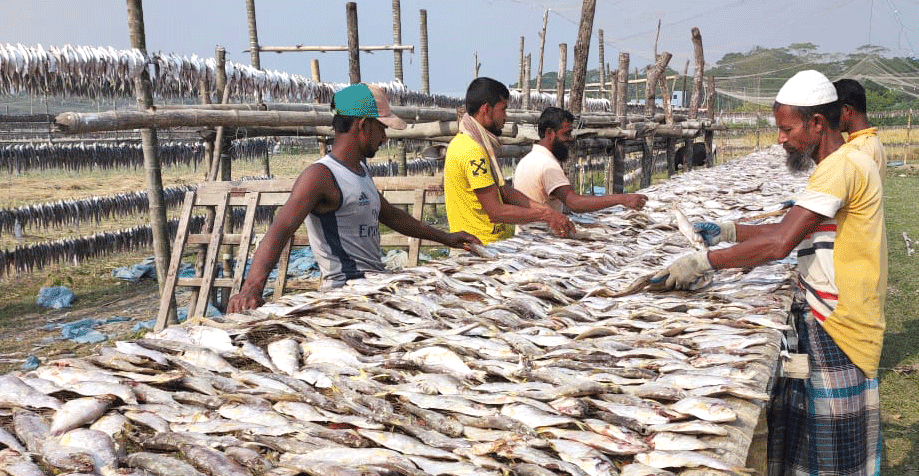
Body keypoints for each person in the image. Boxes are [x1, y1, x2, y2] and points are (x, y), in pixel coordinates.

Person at [651, 70, 886, 476]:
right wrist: (728, 229)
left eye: (785, 130)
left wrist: (705, 263)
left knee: (837, 464)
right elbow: (790, 226)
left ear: (817, 123)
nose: (780, 139)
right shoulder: (837, 164)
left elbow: (782, 242)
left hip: (843, 327)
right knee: (818, 457)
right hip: (829, 317)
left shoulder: (843, 166)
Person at [227, 84, 480, 312]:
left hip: (375, 287)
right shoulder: (320, 176)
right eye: (381, 128)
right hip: (347, 297)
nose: (384, 138)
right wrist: (252, 288)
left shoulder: (360, 171)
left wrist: (446, 238)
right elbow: (280, 229)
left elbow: (390, 215)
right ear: (363, 125)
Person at [443, 77, 575, 244]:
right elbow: (495, 211)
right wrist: (546, 214)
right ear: (486, 109)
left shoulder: (477, 143)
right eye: (503, 109)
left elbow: (503, 192)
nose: (505, 117)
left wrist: (548, 212)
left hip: (489, 245)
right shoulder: (471, 150)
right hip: (477, 249)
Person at [513, 106, 647, 214]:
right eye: (566, 134)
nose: (570, 138)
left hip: (527, 237)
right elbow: (574, 203)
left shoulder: (527, 160)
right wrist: (622, 199)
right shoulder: (548, 165)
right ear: (549, 133)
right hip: (539, 240)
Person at [834, 78, 887, 179]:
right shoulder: (871, 140)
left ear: (846, 110)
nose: (831, 117)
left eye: (833, 111)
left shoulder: (859, 148)